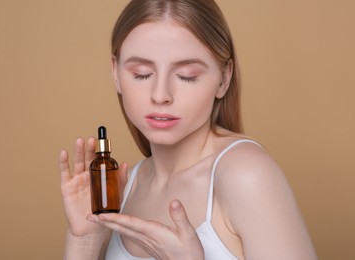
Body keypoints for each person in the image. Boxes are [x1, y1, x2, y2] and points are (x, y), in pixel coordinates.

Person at [59, 0, 317, 259]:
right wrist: (84, 242)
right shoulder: (124, 189)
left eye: (186, 76)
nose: (160, 95)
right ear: (116, 72)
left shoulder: (246, 175)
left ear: (224, 78)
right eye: (141, 74)